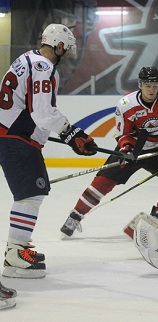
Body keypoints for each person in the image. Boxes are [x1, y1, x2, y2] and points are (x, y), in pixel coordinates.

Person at [0, 23, 97, 279]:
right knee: (30, 194)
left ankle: (18, 246)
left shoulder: (26, 59)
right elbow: (42, 112)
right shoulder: (43, 67)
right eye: (67, 48)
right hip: (17, 139)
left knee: (32, 192)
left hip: (14, 136)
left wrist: (67, 134)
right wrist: (71, 133)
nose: (68, 54)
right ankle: (14, 255)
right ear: (60, 45)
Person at [60, 66, 158, 239]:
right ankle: (75, 216)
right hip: (134, 150)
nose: (151, 89)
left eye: (155, 85)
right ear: (140, 85)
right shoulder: (127, 105)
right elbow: (123, 134)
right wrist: (126, 148)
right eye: (147, 85)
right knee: (102, 182)